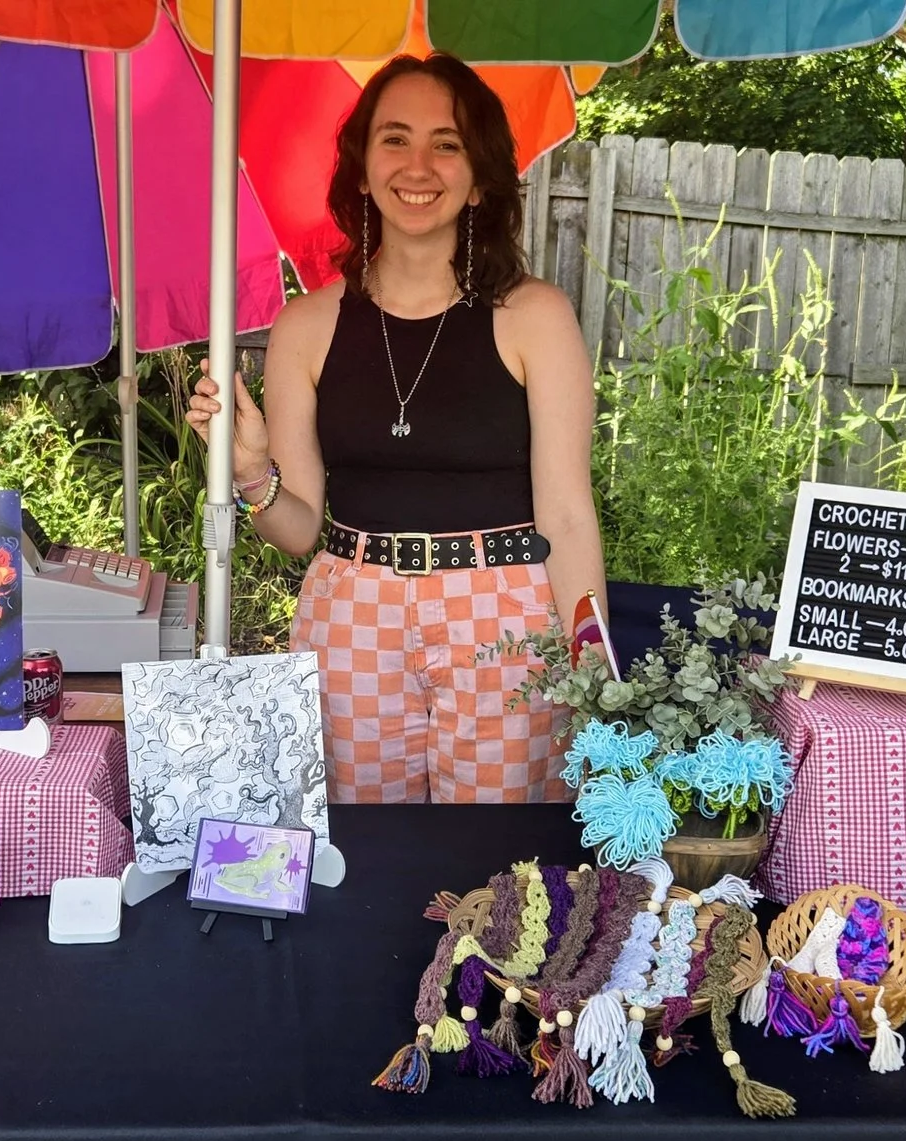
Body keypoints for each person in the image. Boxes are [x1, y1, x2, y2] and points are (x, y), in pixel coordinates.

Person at [186, 53, 605, 806]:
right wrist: (250, 471)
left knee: (498, 867)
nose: (420, 165)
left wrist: (594, 670)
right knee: (363, 855)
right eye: (395, 139)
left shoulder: (535, 317)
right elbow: (297, 527)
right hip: (351, 615)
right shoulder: (305, 326)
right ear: (360, 166)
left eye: (447, 143)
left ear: (479, 177)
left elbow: (569, 516)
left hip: (504, 616)